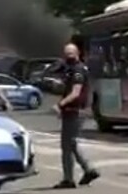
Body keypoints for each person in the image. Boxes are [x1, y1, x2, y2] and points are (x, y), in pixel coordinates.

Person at [52, 43, 100, 188]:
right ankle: (88, 170)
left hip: (74, 111)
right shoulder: (71, 69)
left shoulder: (78, 70)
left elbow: (75, 92)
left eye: (71, 54)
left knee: (66, 146)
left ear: (77, 53)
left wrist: (60, 104)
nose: (68, 57)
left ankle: (68, 179)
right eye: (66, 54)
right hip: (71, 111)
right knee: (71, 144)